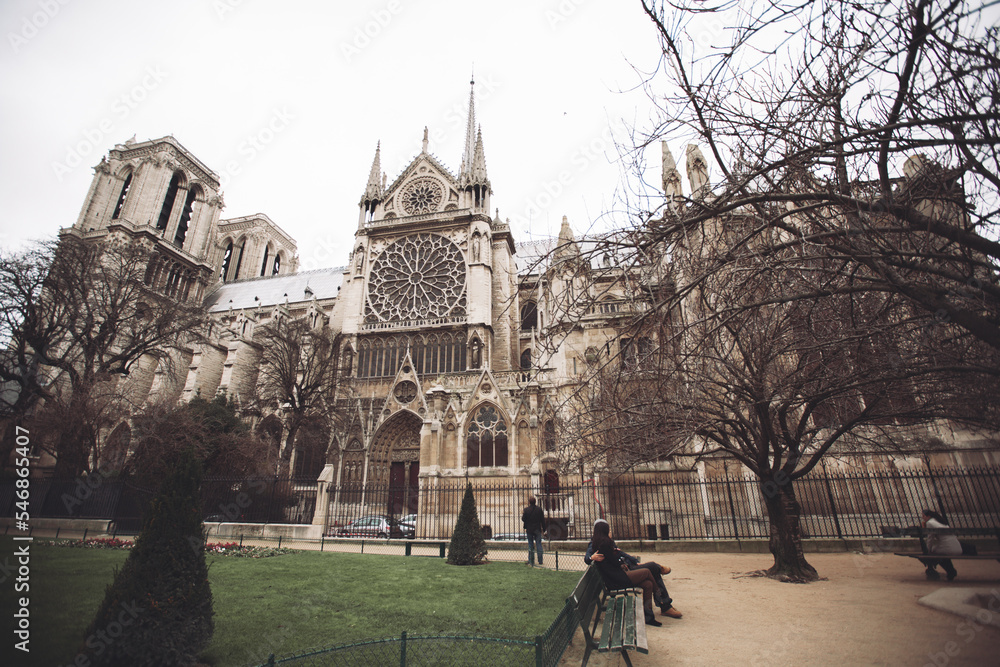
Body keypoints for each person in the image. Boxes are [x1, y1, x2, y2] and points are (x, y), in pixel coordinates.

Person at [585, 519, 682, 619]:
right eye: (608, 530)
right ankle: (664, 601)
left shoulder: (609, 542)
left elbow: (622, 553)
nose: (610, 532)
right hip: (624, 572)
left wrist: (634, 561)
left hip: (629, 567)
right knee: (652, 568)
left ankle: (655, 610)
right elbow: (587, 557)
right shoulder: (596, 544)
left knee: (650, 578)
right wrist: (591, 558)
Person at [918, 509, 961, 581]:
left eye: (923, 516)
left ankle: (949, 571)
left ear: (928, 516)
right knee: (939, 552)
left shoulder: (930, 523)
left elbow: (930, 539)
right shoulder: (940, 521)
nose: (923, 518)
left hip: (949, 549)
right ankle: (950, 570)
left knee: (934, 552)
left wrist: (927, 551)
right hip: (958, 548)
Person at [522, 496, 545, 566]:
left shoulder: (526, 510)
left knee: (530, 545)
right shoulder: (539, 509)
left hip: (529, 529)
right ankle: (540, 560)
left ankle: (531, 560)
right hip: (537, 529)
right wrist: (544, 529)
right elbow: (542, 520)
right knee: (538, 544)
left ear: (529, 502)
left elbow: (523, 519)